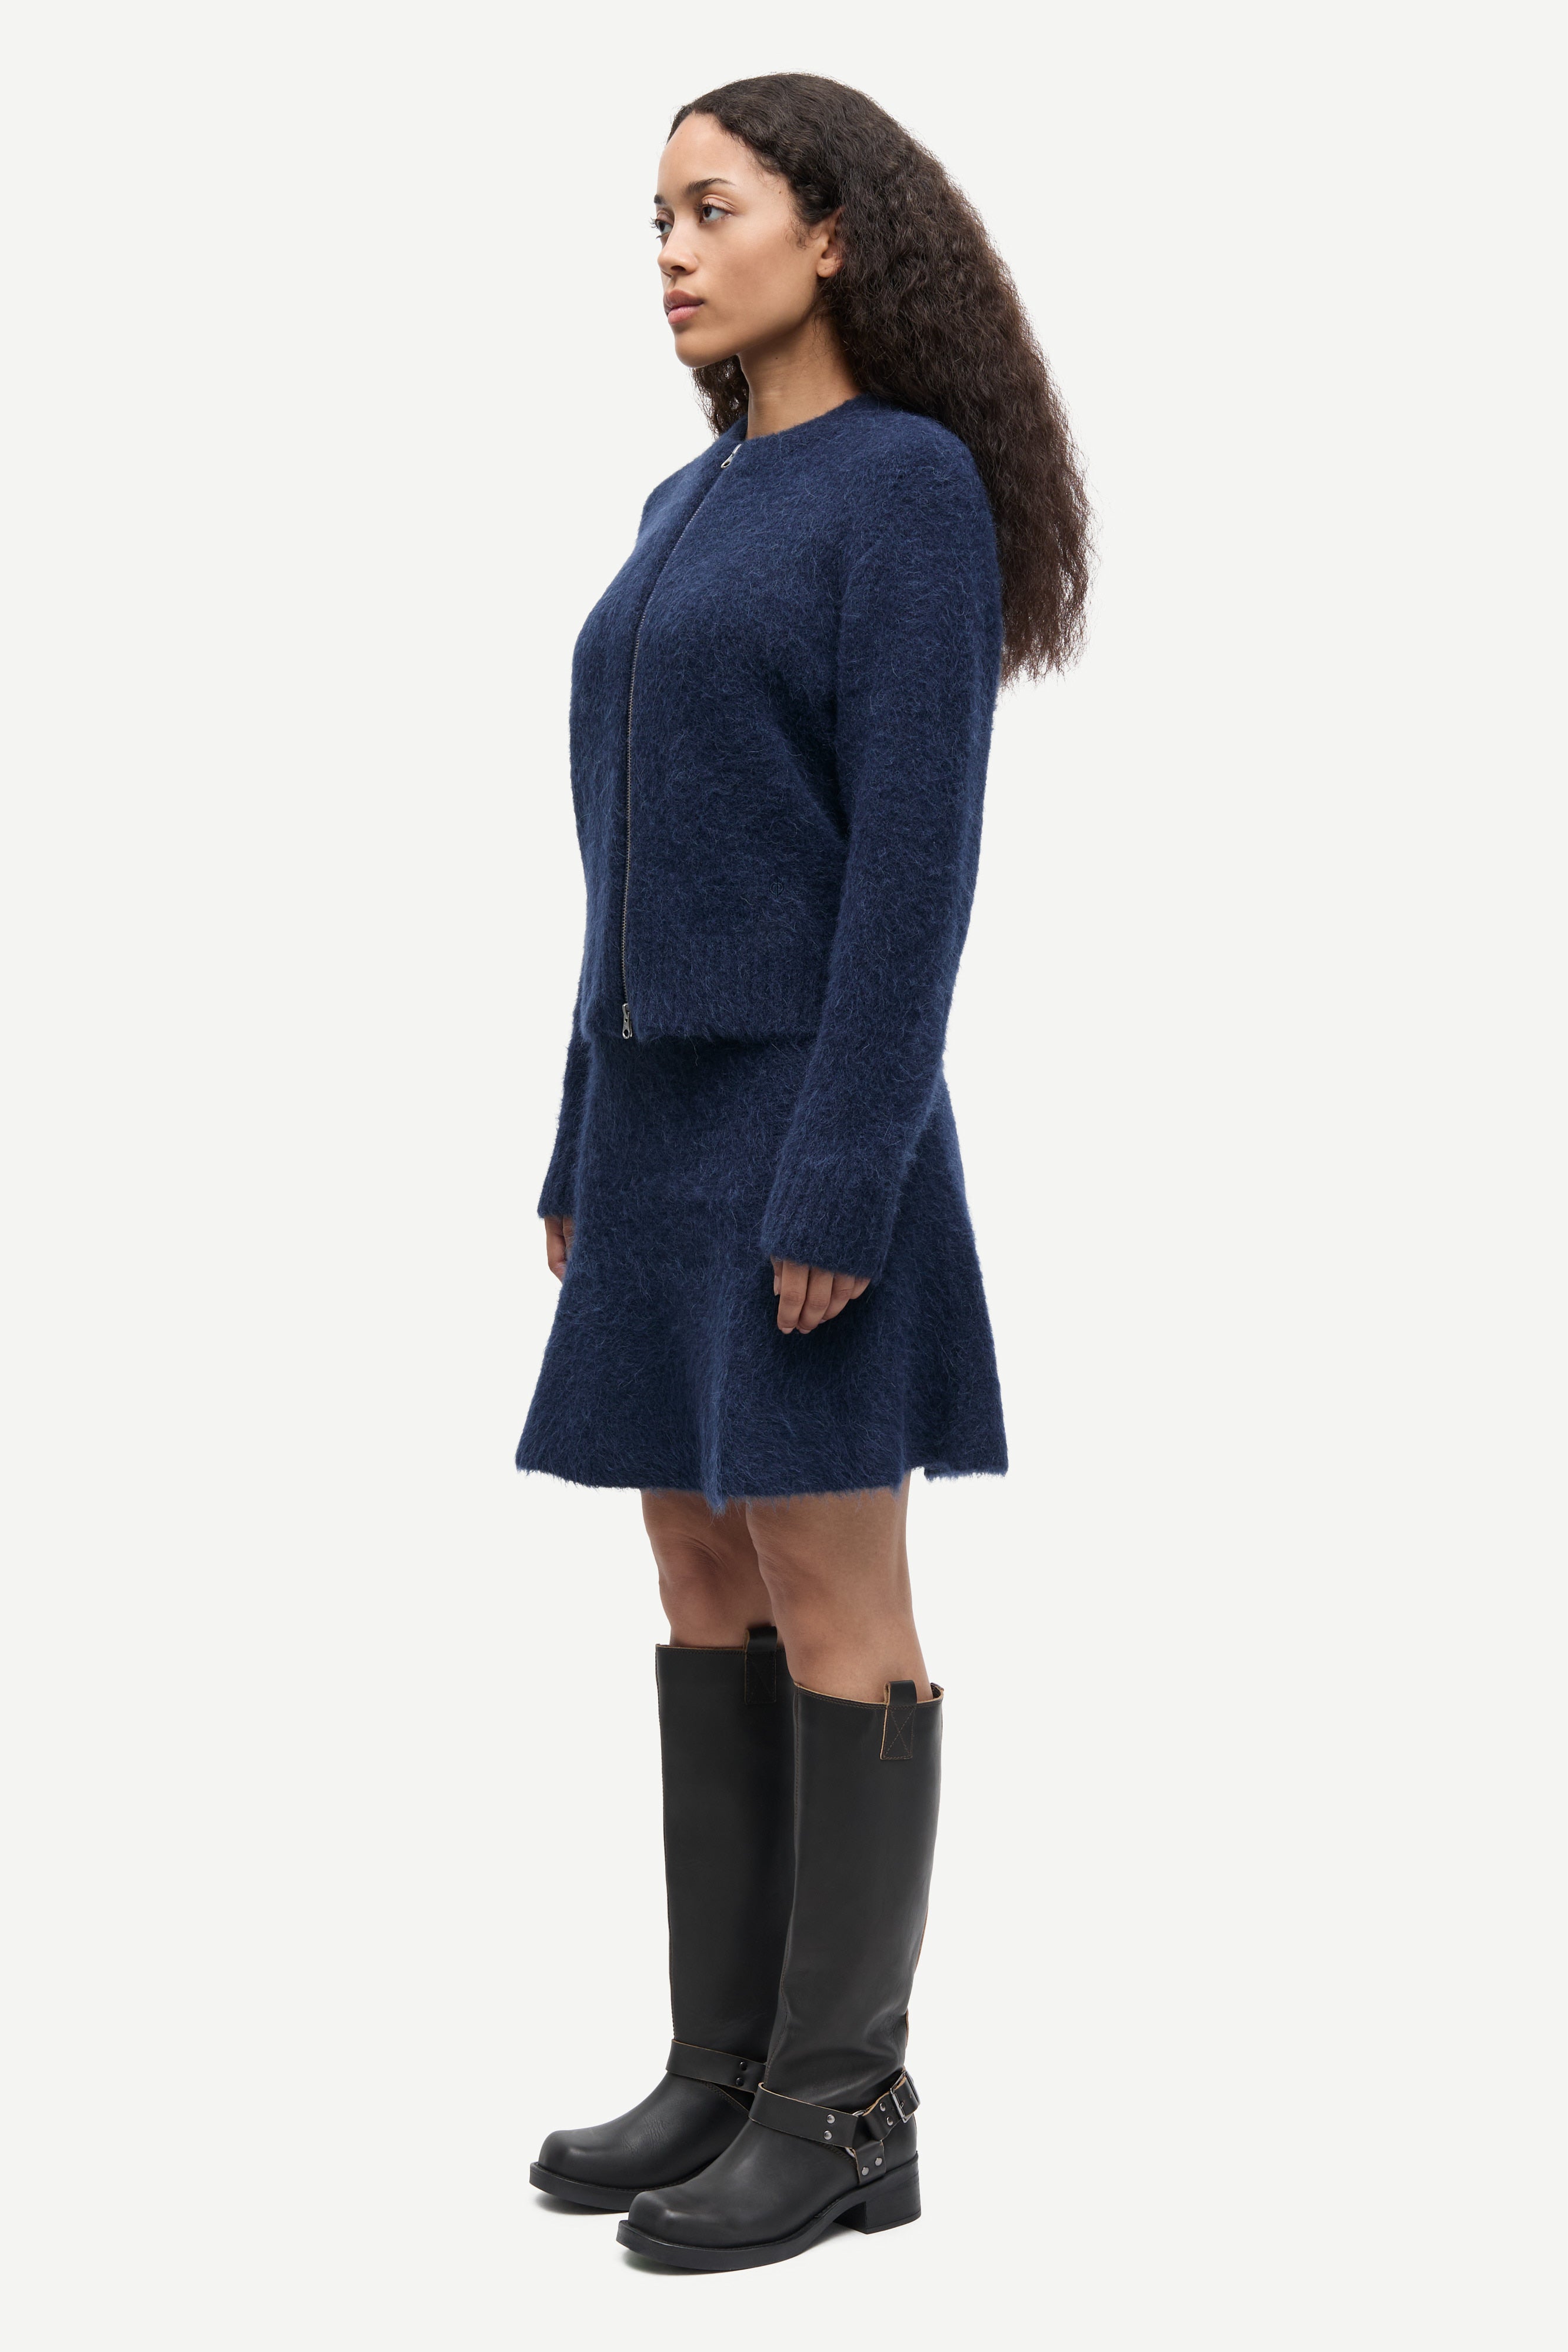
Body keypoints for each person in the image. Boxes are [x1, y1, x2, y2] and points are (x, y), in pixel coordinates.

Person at [519, 72, 1090, 2271]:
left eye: (711, 207)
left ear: (833, 233)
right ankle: (728, 2066)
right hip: (655, 1119)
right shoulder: (684, 500)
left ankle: (848, 2109)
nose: (670, 252)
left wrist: (844, 1171)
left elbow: (913, 870)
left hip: (808, 1114)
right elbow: (620, 870)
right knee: (696, 1573)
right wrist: (575, 1132)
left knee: (833, 1585)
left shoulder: (904, 488)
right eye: (654, 219)